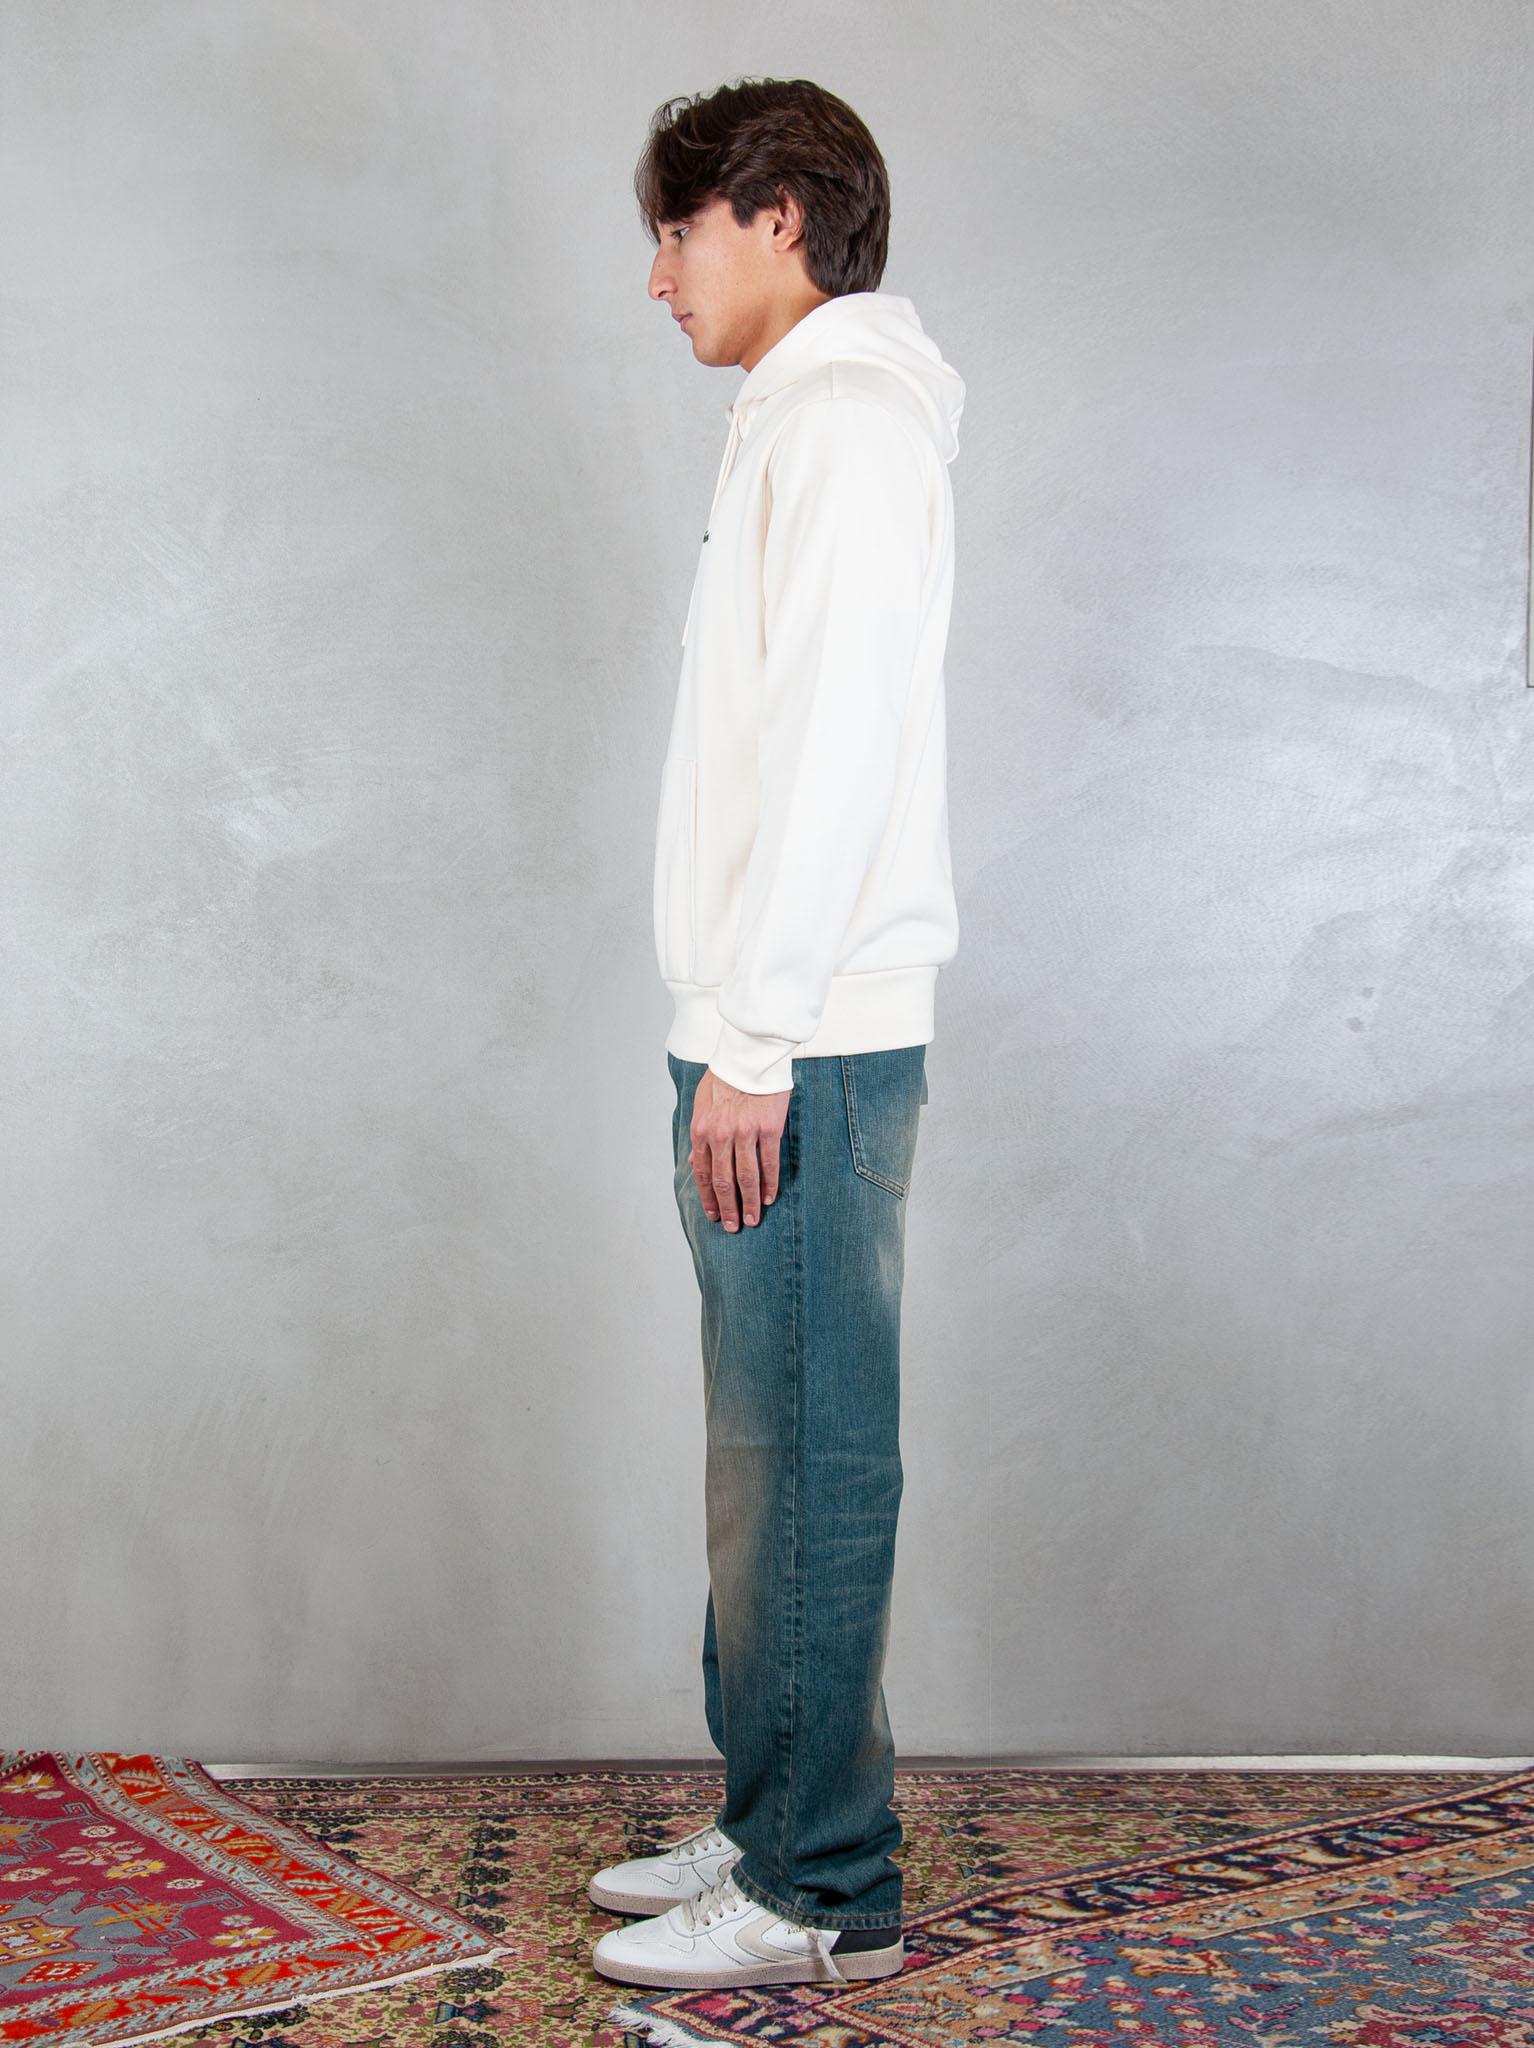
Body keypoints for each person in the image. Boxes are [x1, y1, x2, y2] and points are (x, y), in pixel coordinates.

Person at [591, 74, 964, 1999]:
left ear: (776, 218)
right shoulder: (795, 418)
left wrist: (753, 1037)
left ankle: (822, 1891)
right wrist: (726, 1028)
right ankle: (769, 1819)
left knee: (806, 1455)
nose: (656, 276)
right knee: (762, 1459)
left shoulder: (848, 424)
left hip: (795, 1039)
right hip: (755, 1029)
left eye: (675, 230)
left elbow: (834, 755)